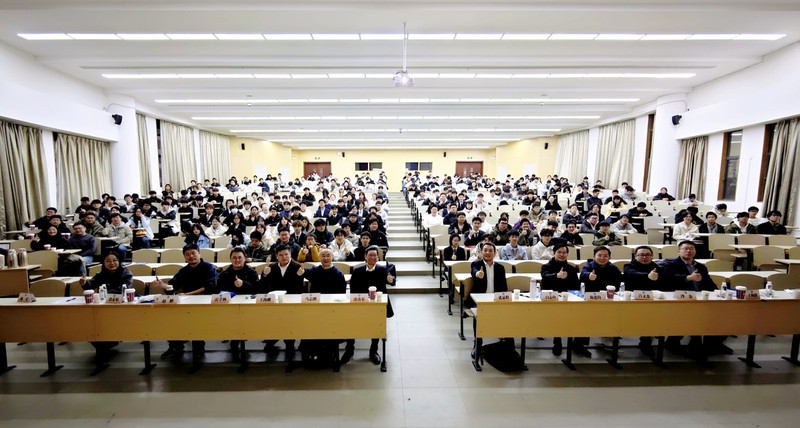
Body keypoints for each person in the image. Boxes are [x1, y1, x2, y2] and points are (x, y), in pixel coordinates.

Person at [663, 241, 731, 357]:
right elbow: (669, 279)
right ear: (679, 251)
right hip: (681, 299)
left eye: (691, 248)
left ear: (695, 251)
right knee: (692, 316)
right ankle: (677, 343)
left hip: (701, 298)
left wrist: (718, 293)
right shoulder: (670, 264)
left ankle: (713, 343)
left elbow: (709, 284)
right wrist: (688, 278)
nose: (688, 251)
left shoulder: (700, 267)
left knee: (723, 314)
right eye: (685, 248)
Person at [153, 244, 218, 359]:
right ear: (184, 257)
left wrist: (188, 294)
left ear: (199, 253)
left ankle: (198, 347)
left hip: (205, 302)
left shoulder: (209, 267)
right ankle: (175, 346)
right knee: (171, 317)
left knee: (196, 319)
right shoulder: (184, 270)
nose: (191, 256)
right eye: (187, 254)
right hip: (186, 301)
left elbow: (209, 287)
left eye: (193, 253)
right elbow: (173, 286)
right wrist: (163, 285)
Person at [345, 245, 395, 365]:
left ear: (378, 257)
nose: (372, 257)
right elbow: (353, 289)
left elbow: (391, 281)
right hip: (360, 303)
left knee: (376, 327)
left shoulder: (382, 270)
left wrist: (391, 280)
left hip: (377, 305)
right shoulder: (357, 271)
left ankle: (373, 351)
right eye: (370, 255)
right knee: (351, 325)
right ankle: (349, 349)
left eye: (375, 255)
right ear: (365, 257)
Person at [79, 250, 132, 363]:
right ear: (103, 262)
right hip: (104, 306)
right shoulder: (101, 274)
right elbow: (91, 284)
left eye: (114, 260)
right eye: (108, 261)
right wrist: (84, 283)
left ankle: (108, 344)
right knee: (93, 324)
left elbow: (124, 288)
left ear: (119, 261)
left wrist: (105, 294)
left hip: (120, 306)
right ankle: (104, 345)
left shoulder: (126, 273)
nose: (112, 263)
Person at [259, 244, 305, 357]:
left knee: (289, 323)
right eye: (281, 255)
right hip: (275, 301)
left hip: (291, 300)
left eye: (286, 254)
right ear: (276, 256)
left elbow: (299, 287)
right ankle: (271, 341)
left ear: (290, 254)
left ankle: (290, 343)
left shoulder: (297, 266)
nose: (284, 257)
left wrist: (299, 276)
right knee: (273, 323)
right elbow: (264, 285)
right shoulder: (272, 266)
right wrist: (264, 274)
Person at [575, 246, 622, 357]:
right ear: (594, 256)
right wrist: (589, 276)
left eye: (605, 256)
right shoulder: (589, 266)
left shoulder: (613, 268)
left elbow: (618, 284)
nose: (602, 258)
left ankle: (607, 337)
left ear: (609, 257)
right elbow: (582, 275)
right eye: (599, 255)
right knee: (585, 321)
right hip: (590, 299)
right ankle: (578, 345)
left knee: (611, 316)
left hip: (607, 299)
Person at [623, 246, 667, 357]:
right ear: (635, 256)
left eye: (647, 255)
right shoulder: (628, 266)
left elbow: (663, 283)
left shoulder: (657, 267)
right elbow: (631, 274)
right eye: (641, 255)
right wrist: (647, 276)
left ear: (652, 256)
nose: (644, 257)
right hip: (633, 300)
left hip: (653, 300)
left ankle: (647, 342)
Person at [217, 247, 260, 358]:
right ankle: (234, 340)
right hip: (229, 306)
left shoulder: (252, 272)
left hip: (248, 305)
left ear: (245, 258)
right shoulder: (224, 274)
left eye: (240, 257)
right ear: (230, 259)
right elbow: (219, 290)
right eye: (234, 258)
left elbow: (257, 290)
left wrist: (243, 284)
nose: (237, 260)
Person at [540, 243, 580, 355]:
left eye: (564, 252)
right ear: (554, 253)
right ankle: (557, 341)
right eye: (559, 252)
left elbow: (576, 286)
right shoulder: (546, 267)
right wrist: (557, 276)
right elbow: (545, 277)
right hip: (551, 299)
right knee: (557, 316)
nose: (562, 255)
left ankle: (577, 343)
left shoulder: (572, 269)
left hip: (568, 298)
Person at [469, 243, 508, 358]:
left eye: (490, 251)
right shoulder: (476, 264)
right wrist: (478, 274)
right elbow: (474, 271)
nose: (487, 253)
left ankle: (505, 340)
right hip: (479, 299)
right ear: (481, 253)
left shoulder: (500, 268)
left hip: (496, 299)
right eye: (485, 250)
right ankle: (478, 342)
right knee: (478, 315)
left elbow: (503, 287)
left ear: (495, 253)